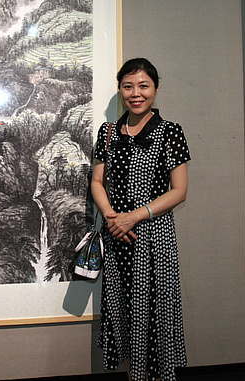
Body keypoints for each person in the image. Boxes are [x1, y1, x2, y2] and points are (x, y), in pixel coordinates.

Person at [91, 58, 190, 381]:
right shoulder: (107, 132)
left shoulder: (170, 132)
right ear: (120, 90)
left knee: (154, 313)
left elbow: (179, 191)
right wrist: (113, 219)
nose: (136, 93)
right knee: (123, 312)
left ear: (155, 89)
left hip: (153, 238)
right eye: (128, 86)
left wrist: (133, 217)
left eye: (143, 86)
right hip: (118, 238)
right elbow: (97, 182)